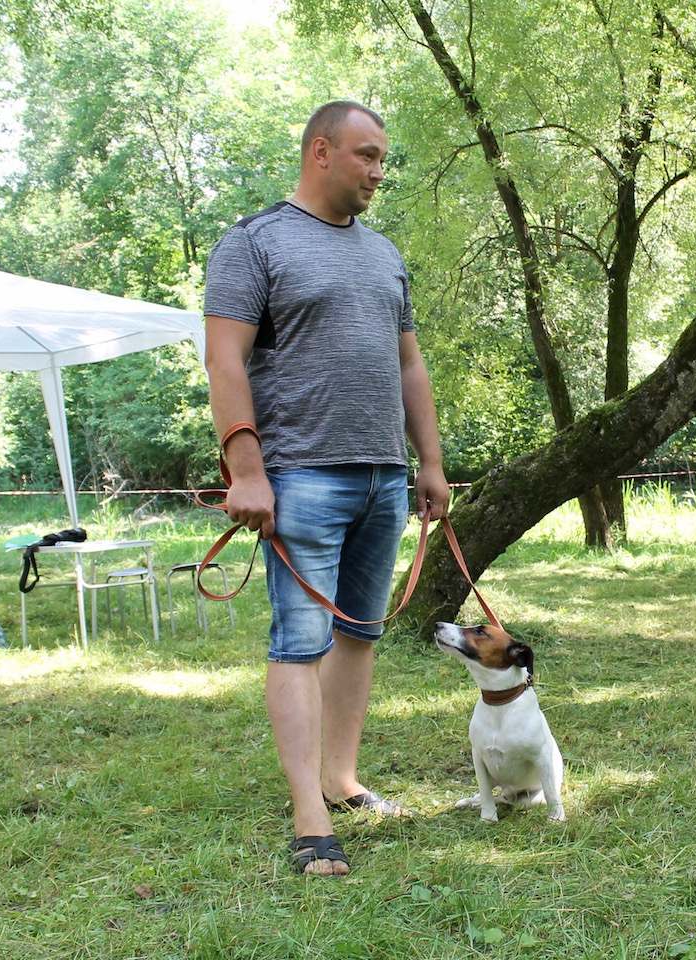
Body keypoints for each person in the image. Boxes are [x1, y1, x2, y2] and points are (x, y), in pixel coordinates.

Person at [203, 100, 450, 875]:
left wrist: (430, 463)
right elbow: (224, 359)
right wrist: (247, 469)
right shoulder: (254, 243)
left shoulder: (384, 254)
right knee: (300, 641)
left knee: (359, 635)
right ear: (320, 152)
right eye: (366, 156)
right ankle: (309, 817)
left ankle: (341, 781)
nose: (378, 171)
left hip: (383, 475)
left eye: (382, 159)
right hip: (300, 475)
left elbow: (410, 363)